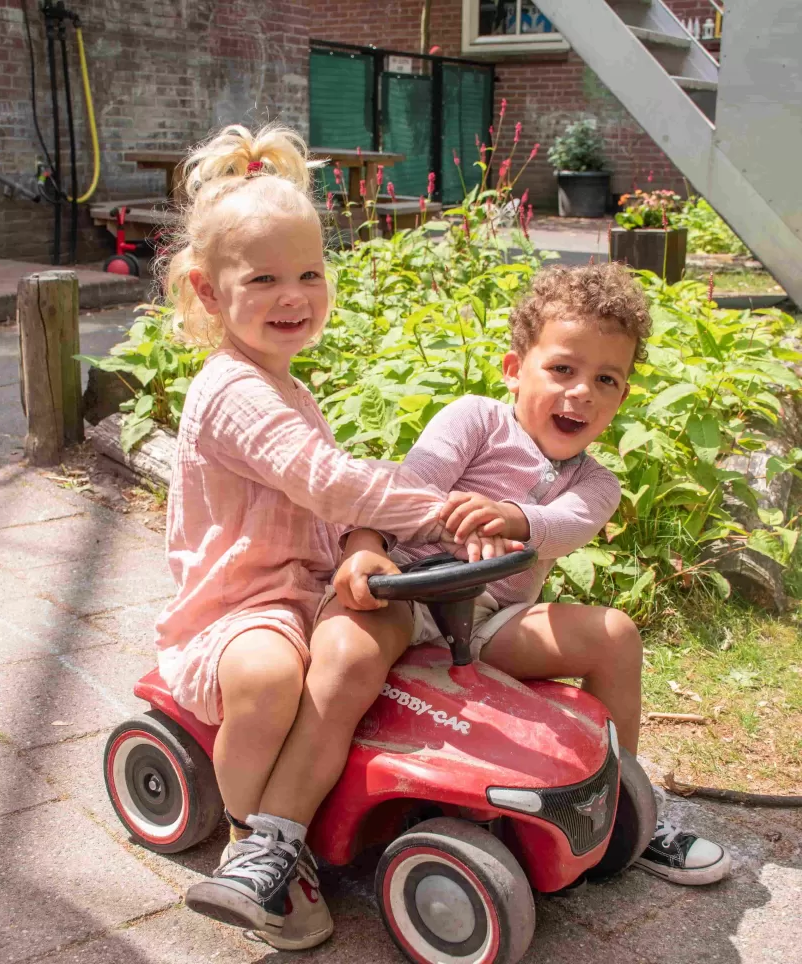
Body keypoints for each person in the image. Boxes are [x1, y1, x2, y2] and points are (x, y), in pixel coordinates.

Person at [154, 123, 519, 950]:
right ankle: (255, 841)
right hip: (242, 603)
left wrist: (368, 537)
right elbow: (325, 479)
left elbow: (333, 487)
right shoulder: (232, 391)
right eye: (264, 279)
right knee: (268, 676)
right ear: (209, 293)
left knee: (381, 632)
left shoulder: (285, 386)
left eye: (310, 274)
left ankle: (308, 809)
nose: (294, 295)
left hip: (306, 588)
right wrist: (439, 507)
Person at [323, 263, 733, 893]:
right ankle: (300, 807)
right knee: (343, 655)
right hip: (407, 595)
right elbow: (409, 487)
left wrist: (513, 518)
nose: (582, 392)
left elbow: (566, 526)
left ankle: (624, 809)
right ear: (515, 369)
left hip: (489, 623)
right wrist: (395, 537)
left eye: (605, 379)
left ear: (621, 398)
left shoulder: (595, 483)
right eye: (563, 369)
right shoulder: (475, 421)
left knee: (615, 634)